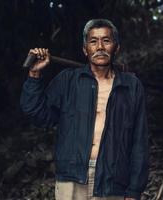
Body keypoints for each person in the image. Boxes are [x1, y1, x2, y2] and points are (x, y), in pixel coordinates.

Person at [20, 19, 148, 200]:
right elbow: (37, 114)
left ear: (116, 48)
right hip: (71, 178)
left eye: (106, 40)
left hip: (114, 180)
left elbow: (139, 141)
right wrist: (34, 74)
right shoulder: (68, 81)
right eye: (93, 41)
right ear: (85, 49)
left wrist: (134, 190)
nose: (100, 47)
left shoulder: (130, 86)